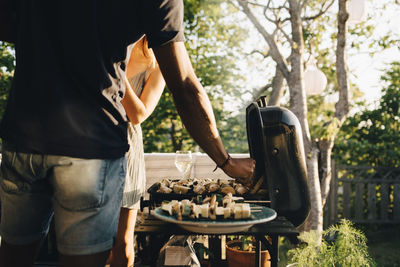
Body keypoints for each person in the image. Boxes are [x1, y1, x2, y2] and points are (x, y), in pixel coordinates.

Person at [0, 1, 255, 267]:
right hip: (90, 147)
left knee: (12, 257)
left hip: (22, 138)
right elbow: (185, 87)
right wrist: (225, 161)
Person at [107, 35, 165, 267]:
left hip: (126, 152)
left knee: (122, 242)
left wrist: (115, 68)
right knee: (88, 241)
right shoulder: (104, 41)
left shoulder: (158, 64)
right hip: (88, 144)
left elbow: (139, 114)